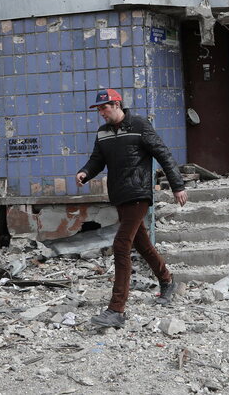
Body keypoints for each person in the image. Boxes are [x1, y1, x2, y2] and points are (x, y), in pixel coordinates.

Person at [75, 88, 188, 328]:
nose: (101, 113)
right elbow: (98, 159)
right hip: (120, 195)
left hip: (138, 193)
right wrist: (85, 172)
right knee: (141, 243)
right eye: (98, 109)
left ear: (117, 104)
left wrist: (177, 185)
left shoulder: (139, 125)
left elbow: (163, 154)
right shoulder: (103, 133)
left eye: (104, 108)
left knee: (121, 244)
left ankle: (116, 309)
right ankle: (167, 281)